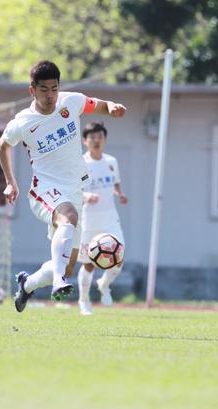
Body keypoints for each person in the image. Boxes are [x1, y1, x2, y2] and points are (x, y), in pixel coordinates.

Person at [0, 60, 126, 312]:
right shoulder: (23, 122)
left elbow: (97, 105)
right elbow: (3, 145)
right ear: (32, 90)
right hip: (43, 189)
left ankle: (28, 284)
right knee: (69, 219)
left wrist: (111, 107)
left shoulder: (71, 101)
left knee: (66, 262)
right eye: (44, 90)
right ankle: (59, 282)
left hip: (73, 189)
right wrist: (11, 182)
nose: (50, 95)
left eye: (54, 88)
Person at [76, 122, 128, 316]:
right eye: (92, 137)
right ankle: (84, 301)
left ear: (105, 140)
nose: (96, 141)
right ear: (85, 141)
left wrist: (120, 194)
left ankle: (104, 285)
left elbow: (115, 184)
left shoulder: (111, 161)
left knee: (119, 258)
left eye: (100, 137)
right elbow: (73, 191)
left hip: (110, 219)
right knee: (88, 263)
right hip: (89, 221)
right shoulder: (81, 164)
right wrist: (86, 197)